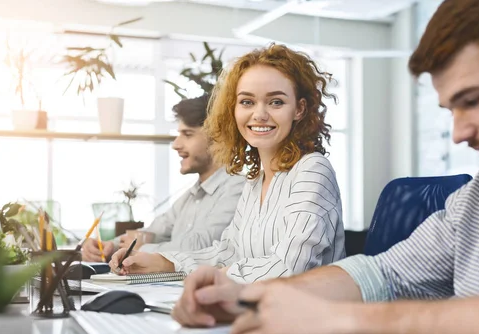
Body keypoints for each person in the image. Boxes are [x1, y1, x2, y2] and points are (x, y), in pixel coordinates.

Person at [171, 0, 479, 334]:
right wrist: (247, 300)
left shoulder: (310, 170)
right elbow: (383, 274)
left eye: (474, 100)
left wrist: (342, 322)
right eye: (451, 110)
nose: (458, 134)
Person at [110, 44, 346, 283]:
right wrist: (164, 262)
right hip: (254, 309)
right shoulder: (256, 181)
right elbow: (229, 252)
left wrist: (216, 275)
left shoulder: (313, 170)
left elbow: (290, 267)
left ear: (299, 109)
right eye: (247, 102)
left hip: (304, 315)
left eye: (276, 102)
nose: (259, 114)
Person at [82, 95, 245, 262]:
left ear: (219, 138)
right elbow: (153, 231)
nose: (176, 144)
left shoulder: (238, 189)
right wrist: (110, 246)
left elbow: (204, 246)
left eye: (187, 134)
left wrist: (138, 249)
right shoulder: (190, 197)